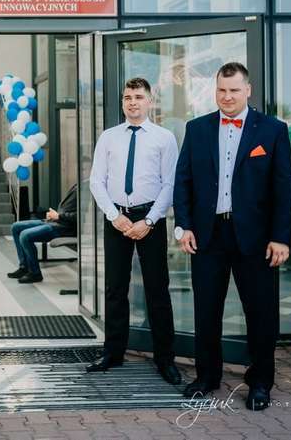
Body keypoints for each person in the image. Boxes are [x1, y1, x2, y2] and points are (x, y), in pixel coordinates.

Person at [173, 62, 291, 411]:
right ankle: (207, 376)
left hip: (256, 239)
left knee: (261, 313)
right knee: (206, 311)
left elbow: (283, 188)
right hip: (207, 235)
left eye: (234, 91)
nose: (227, 97)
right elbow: (183, 181)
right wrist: (184, 226)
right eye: (222, 90)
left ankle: (260, 382)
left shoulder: (273, 130)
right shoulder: (196, 128)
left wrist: (280, 237)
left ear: (248, 90)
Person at [85, 77, 181, 385]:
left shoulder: (164, 138)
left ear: (149, 101)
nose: (132, 102)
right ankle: (113, 353)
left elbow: (170, 184)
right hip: (117, 218)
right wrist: (114, 216)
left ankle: (165, 359)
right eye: (128, 97)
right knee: (115, 288)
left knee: (157, 289)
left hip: (150, 219)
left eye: (138, 97)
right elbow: (96, 181)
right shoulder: (109, 137)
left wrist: (149, 221)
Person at [6, 183, 78, 284]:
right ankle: (24, 267)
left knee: (25, 235)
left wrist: (59, 216)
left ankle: (35, 273)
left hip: (64, 228)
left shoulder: (86, 189)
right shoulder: (76, 185)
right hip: (56, 221)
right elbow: (68, 208)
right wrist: (55, 215)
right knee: (16, 227)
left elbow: (79, 216)